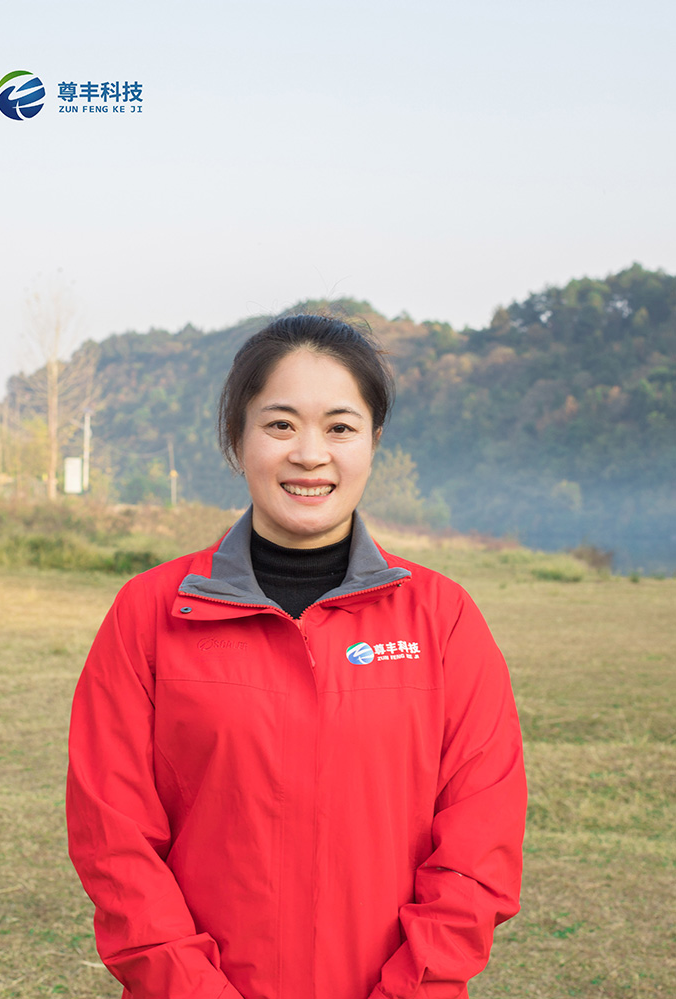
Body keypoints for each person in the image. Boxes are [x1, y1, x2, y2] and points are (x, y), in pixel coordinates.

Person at [66, 314, 526, 999]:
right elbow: (114, 844)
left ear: (373, 442)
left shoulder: (443, 619)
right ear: (238, 439)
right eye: (280, 424)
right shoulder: (149, 614)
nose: (310, 454)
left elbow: (479, 847)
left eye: (340, 427)